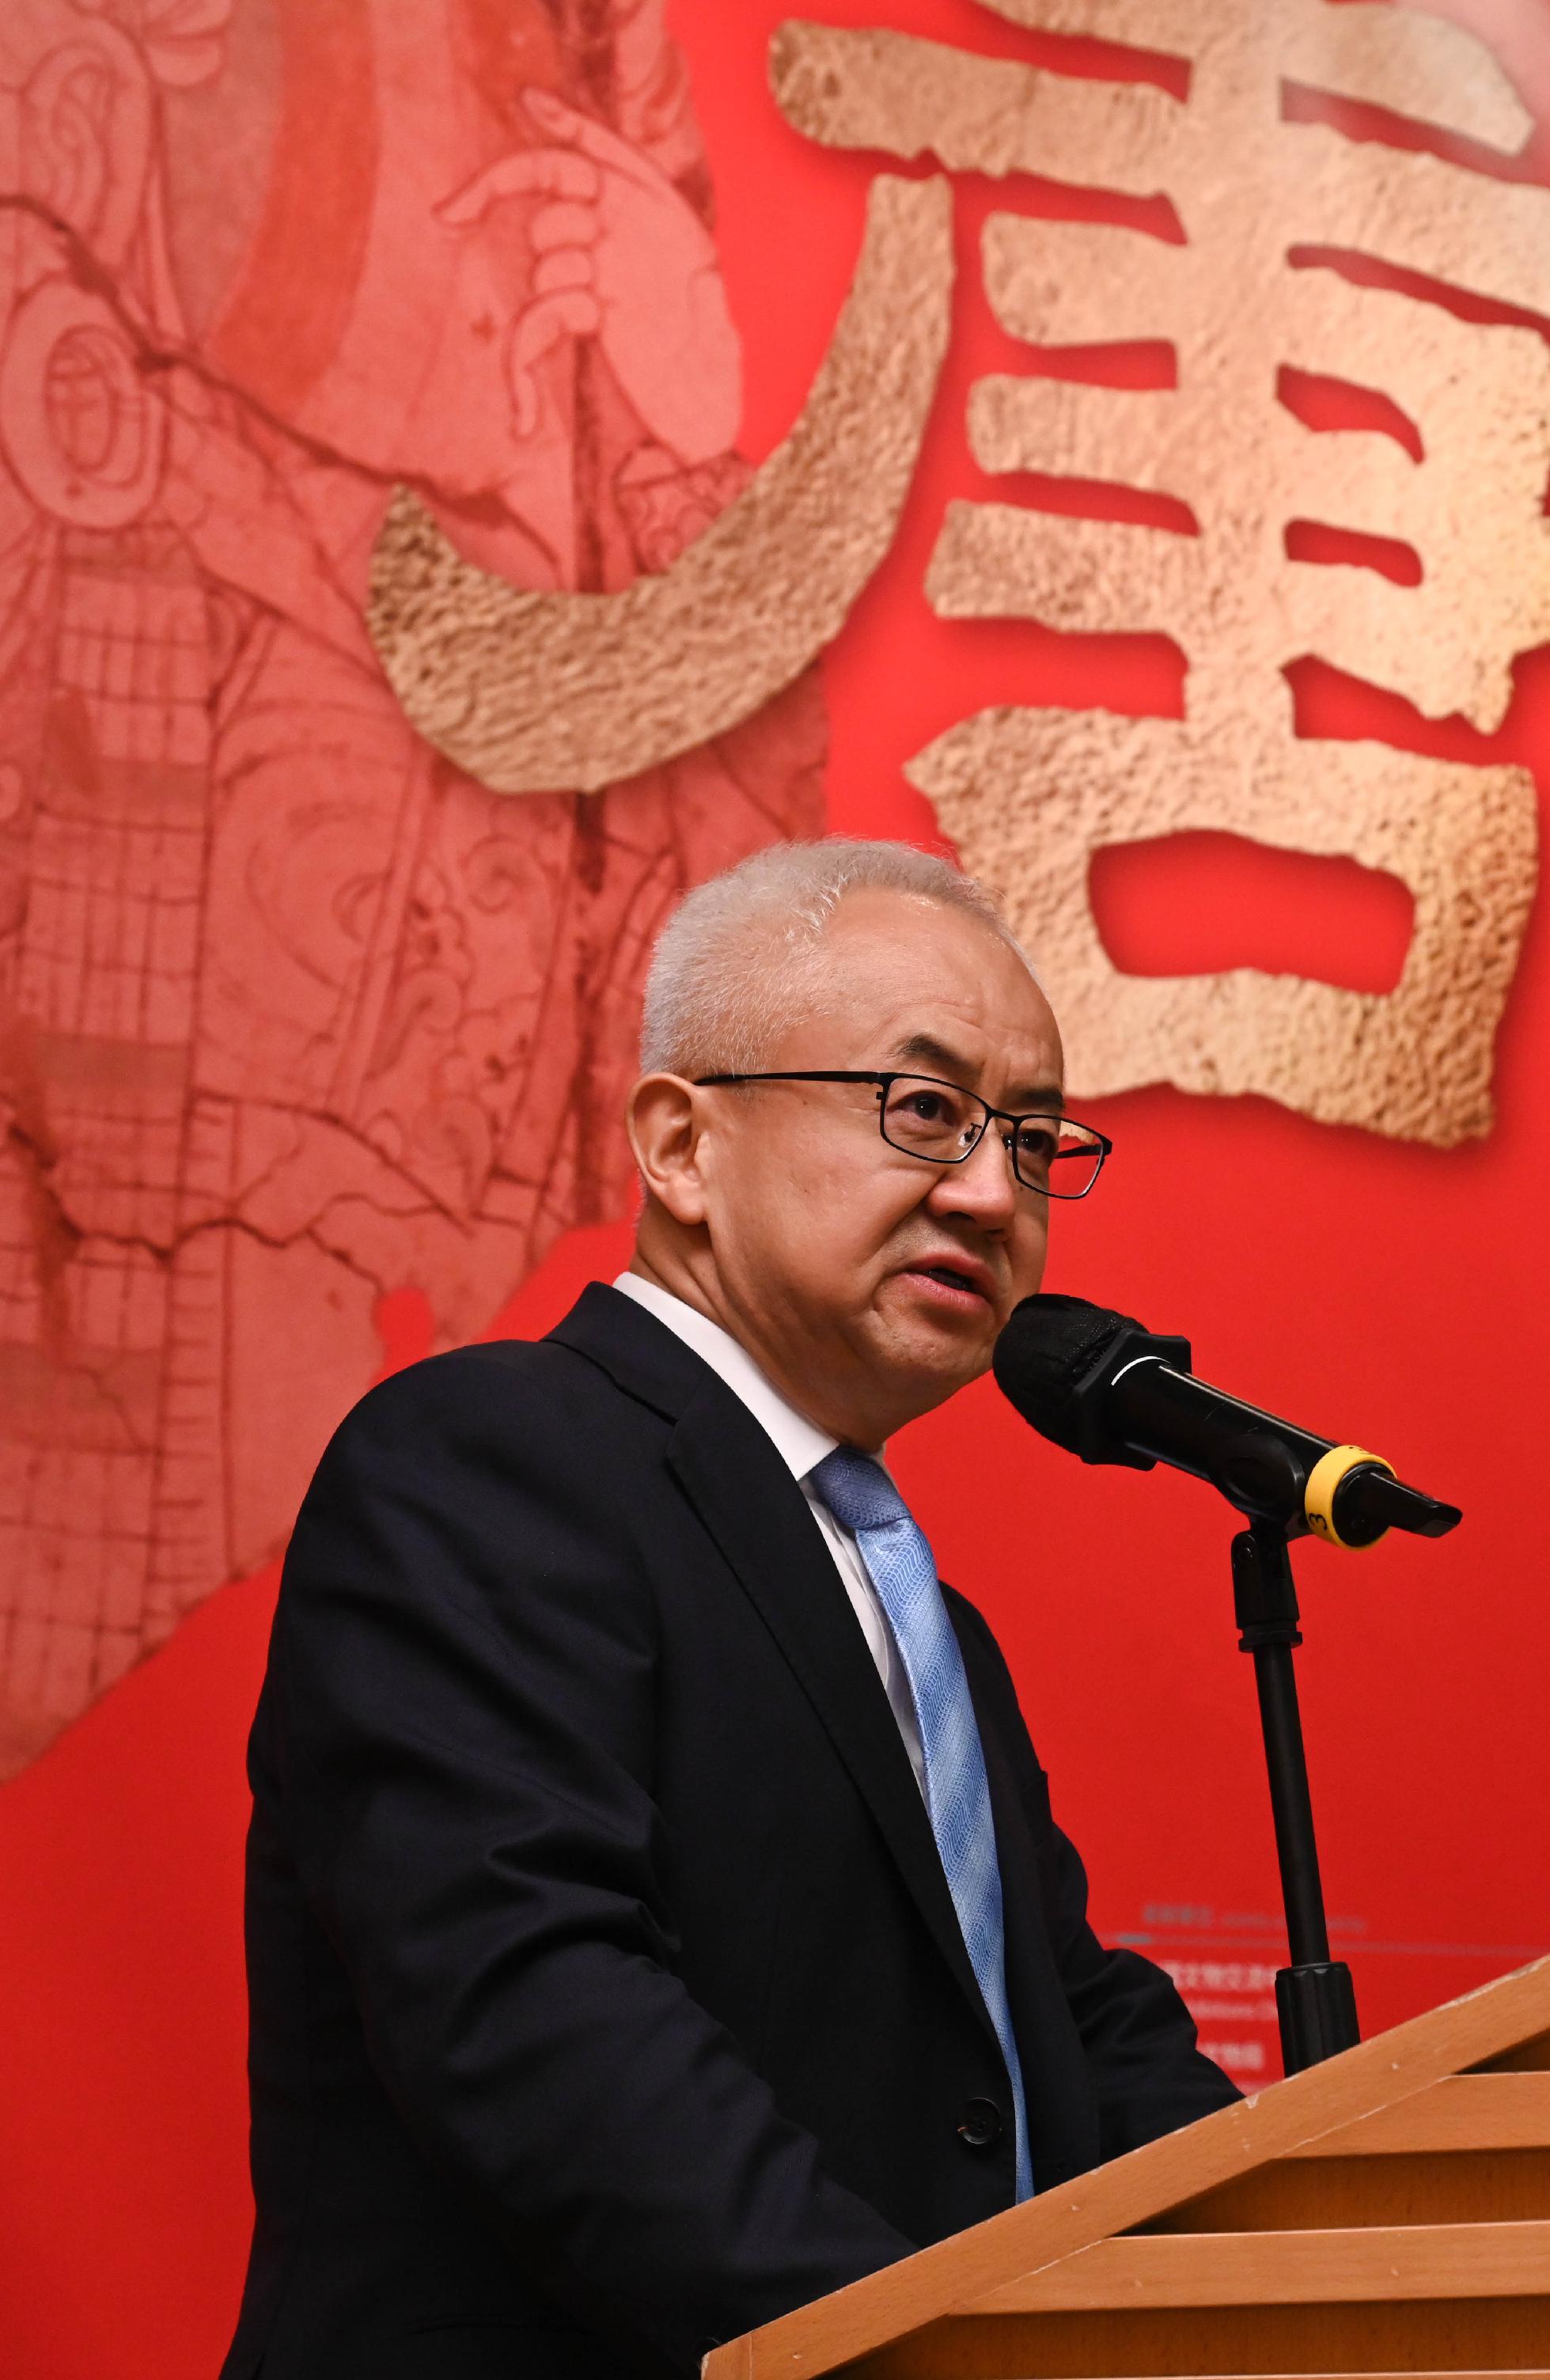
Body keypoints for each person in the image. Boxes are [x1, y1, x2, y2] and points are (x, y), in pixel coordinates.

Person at [224, 840, 1237, 2379]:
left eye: (1033, 1139)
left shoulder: (923, 1617)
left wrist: (1328, 2263)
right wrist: (941, 2357)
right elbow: (546, 2024)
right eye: (924, 1109)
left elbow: (1075, 2037)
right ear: (682, 1144)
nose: (990, 1192)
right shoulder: (489, 1459)